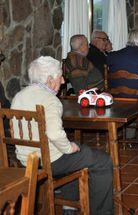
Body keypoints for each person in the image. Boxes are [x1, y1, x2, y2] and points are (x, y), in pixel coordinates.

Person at [11, 56, 113, 215]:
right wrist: (68, 148)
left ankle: (69, 207)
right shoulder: (51, 100)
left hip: (25, 160)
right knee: (101, 160)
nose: (64, 81)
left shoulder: (19, 96)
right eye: (60, 77)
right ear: (50, 79)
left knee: (74, 154)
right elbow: (54, 134)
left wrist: (67, 147)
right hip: (48, 161)